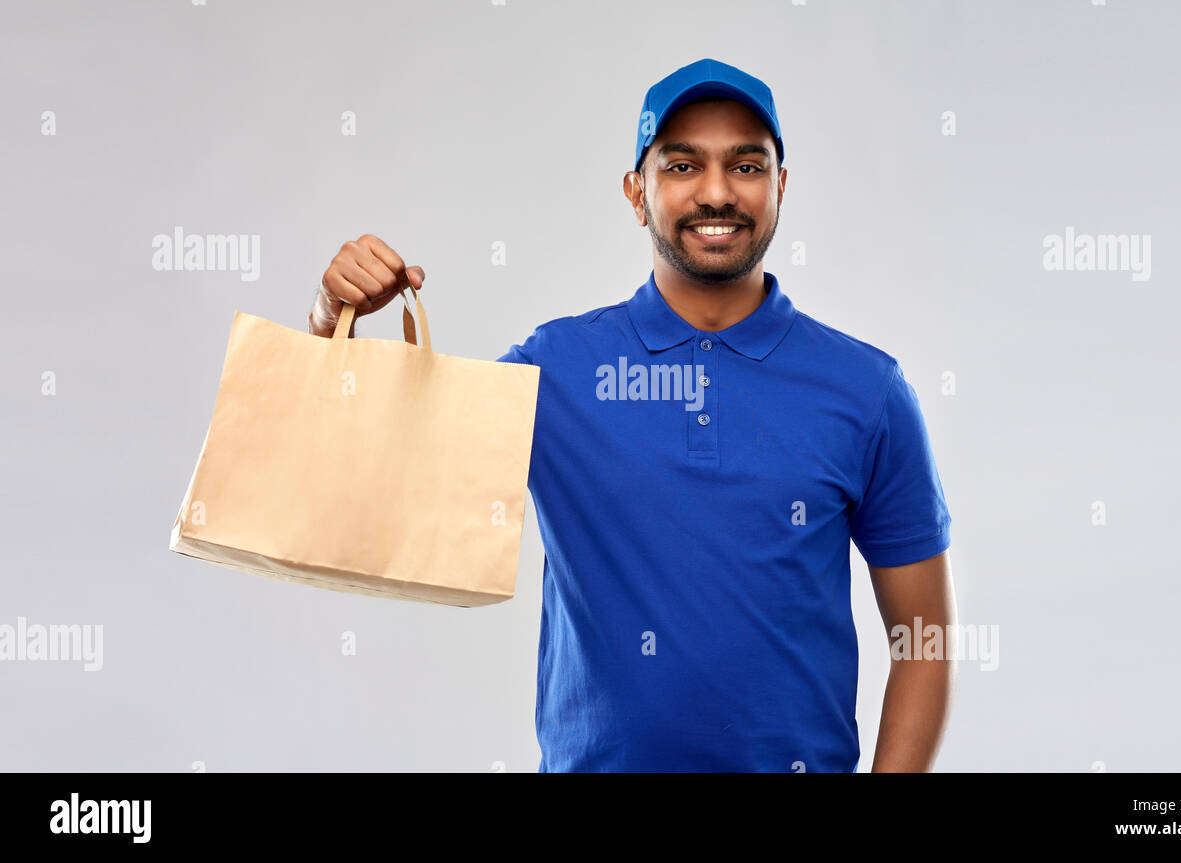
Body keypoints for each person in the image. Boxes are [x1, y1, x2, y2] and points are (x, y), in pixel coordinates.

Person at [306, 59, 956, 772]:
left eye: (745, 165)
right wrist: (330, 325)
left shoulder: (866, 388)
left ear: (780, 187)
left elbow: (923, 638)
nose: (716, 192)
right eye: (682, 165)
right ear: (637, 192)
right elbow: (377, 482)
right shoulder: (552, 369)